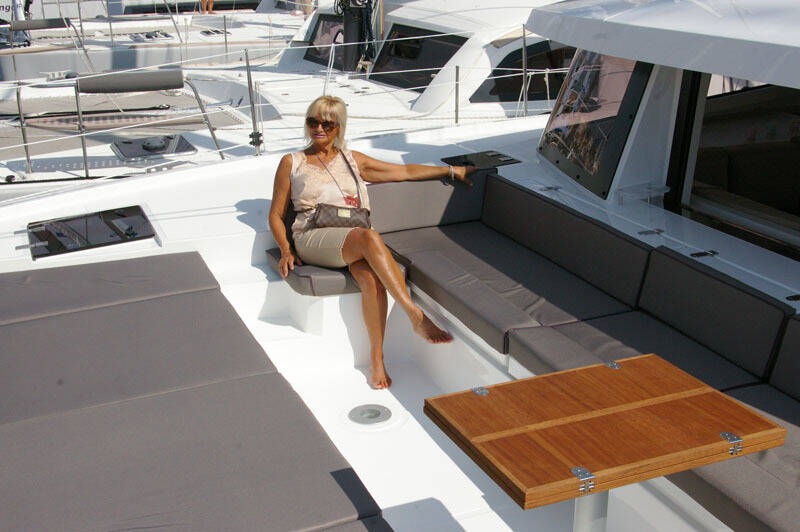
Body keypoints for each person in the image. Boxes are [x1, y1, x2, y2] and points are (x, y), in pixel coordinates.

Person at [269, 95, 476, 389]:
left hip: (352, 239)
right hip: (313, 237)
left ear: (339, 127)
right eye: (312, 121)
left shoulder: (353, 160)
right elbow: (276, 214)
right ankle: (414, 315)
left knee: (372, 281)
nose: (318, 128)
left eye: (327, 123)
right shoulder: (293, 162)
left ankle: (377, 360)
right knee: (369, 236)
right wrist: (285, 249)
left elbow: (404, 172)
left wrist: (451, 171)